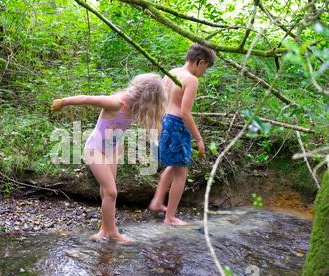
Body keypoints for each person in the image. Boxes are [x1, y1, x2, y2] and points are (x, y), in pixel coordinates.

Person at [51, 73, 167, 243]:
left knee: (107, 192)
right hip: (95, 150)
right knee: (112, 192)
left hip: (111, 151)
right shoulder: (116, 103)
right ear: (146, 96)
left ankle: (104, 230)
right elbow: (86, 99)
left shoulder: (135, 107)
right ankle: (113, 233)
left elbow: (154, 120)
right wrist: (63, 102)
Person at [149, 43, 216, 225]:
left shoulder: (171, 72)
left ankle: (157, 201)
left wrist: (156, 126)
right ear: (200, 62)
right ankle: (170, 217)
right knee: (181, 172)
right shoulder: (191, 80)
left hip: (164, 120)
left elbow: (159, 102)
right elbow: (185, 113)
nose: (204, 72)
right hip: (177, 124)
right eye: (205, 68)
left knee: (173, 165)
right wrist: (199, 139)